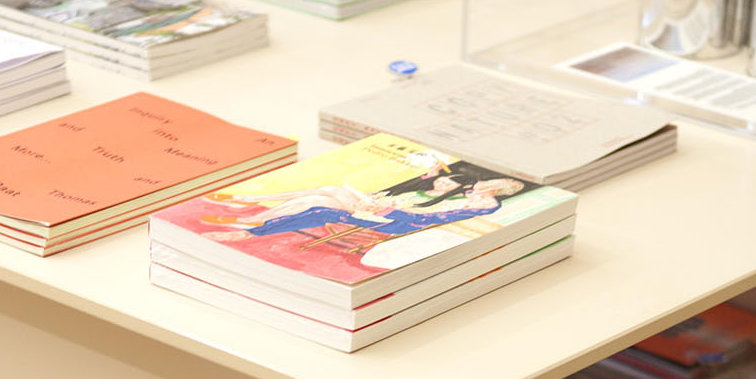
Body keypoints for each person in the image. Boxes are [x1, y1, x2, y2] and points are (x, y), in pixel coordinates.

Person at [200, 168, 526, 243]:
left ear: (496, 189)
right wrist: (379, 203)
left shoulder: (483, 205)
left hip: (400, 223)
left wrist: (379, 210)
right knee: (328, 191)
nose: (475, 188)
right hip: (389, 212)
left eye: (485, 185)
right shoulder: (471, 197)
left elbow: (427, 218)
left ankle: (248, 230)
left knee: (320, 204)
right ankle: (248, 211)